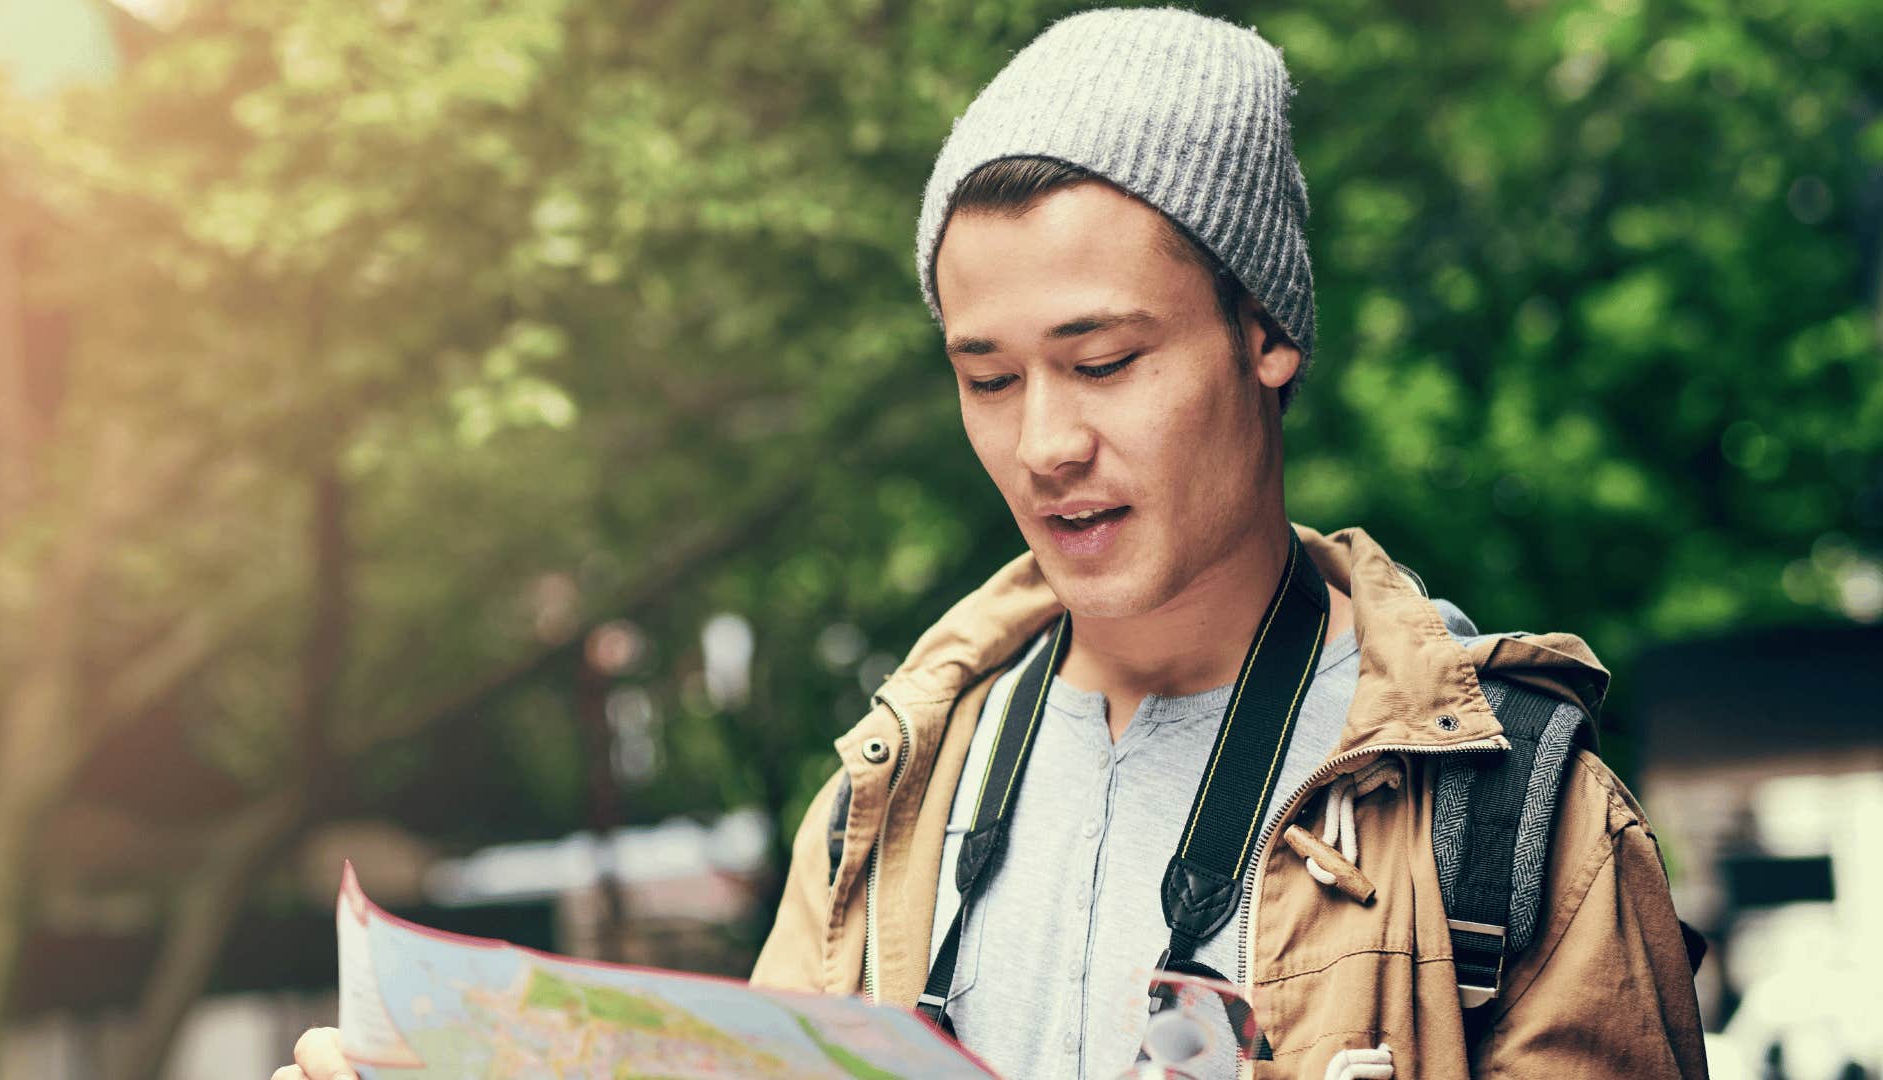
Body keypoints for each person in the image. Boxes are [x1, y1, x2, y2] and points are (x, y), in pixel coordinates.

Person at [278, 8, 1706, 1079]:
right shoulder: (881, 808)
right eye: (989, 376)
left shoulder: (1523, 826)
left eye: (1103, 361)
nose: (1043, 445)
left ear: (1267, 335)